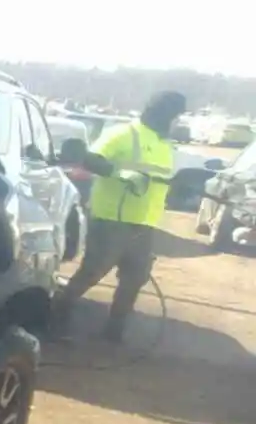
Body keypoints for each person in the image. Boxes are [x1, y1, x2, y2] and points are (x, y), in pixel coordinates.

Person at [51, 89, 186, 343]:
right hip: (112, 220)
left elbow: (157, 178)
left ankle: (114, 332)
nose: (177, 122)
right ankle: (56, 318)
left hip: (144, 224)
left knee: (134, 278)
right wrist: (118, 173)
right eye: (176, 116)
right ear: (163, 114)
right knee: (92, 273)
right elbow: (90, 159)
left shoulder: (162, 144)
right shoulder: (124, 134)